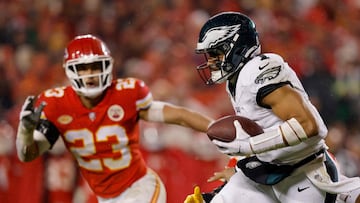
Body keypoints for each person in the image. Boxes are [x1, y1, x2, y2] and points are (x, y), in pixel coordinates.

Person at [185, 11, 360, 203]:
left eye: (215, 54)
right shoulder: (235, 81)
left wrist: (249, 145)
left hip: (302, 172)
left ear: (235, 47)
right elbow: (264, 128)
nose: (210, 62)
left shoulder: (257, 73)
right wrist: (237, 167)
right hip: (268, 171)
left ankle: (345, 196)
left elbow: (312, 127)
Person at [16, 34, 214, 203]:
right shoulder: (57, 105)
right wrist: (25, 131)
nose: (91, 74)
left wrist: (214, 127)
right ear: (70, 70)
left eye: (95, 66)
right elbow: (29, 154)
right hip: (105, 196)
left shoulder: (125, 95)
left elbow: (178, 115)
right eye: (83, 68)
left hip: (139, 188)